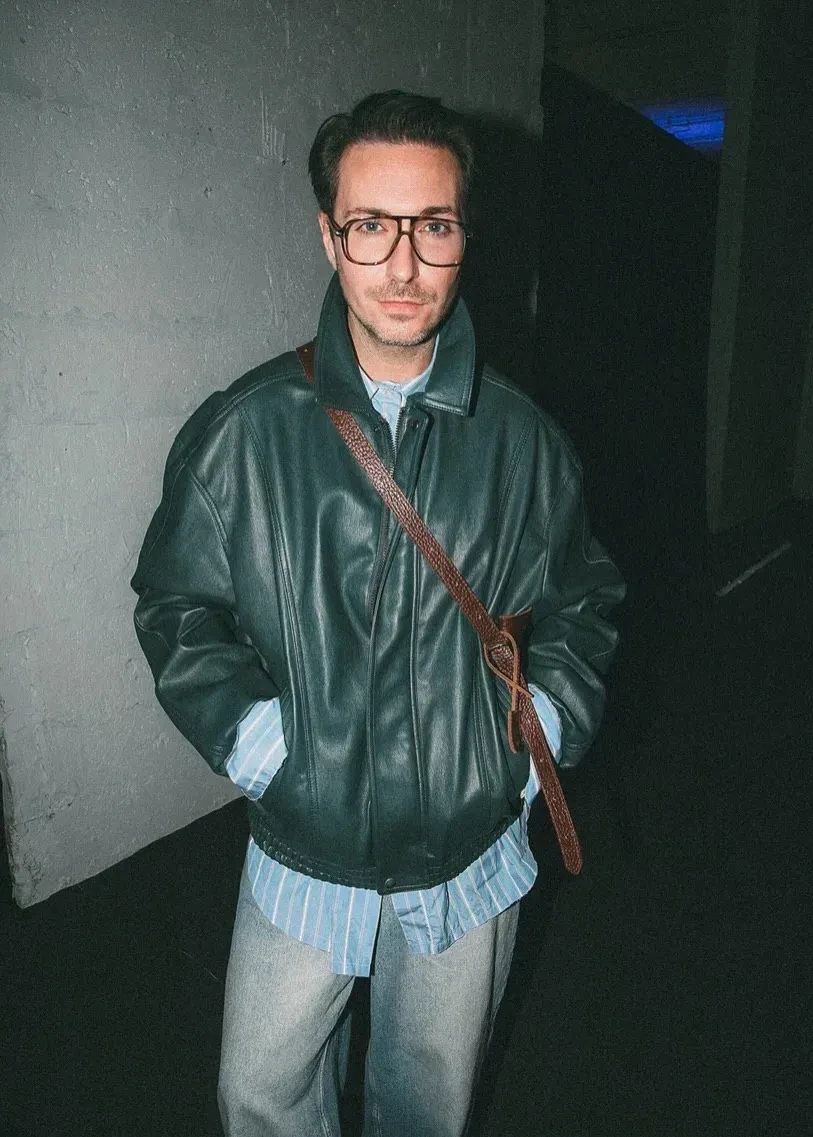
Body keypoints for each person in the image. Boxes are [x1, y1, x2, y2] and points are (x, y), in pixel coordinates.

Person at [131, 90, 624, 1137]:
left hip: (469, 846)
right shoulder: (245, 432)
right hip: (306, 841)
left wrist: (534, 732)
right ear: (328, 235)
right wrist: (262, 744)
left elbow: (584, 601)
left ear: (464, 237)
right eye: (370, 225)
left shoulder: (526, 444)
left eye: (432, 226)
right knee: (260, 1095)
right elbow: (175, 602)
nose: (401, 263)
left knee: (429, 1106)